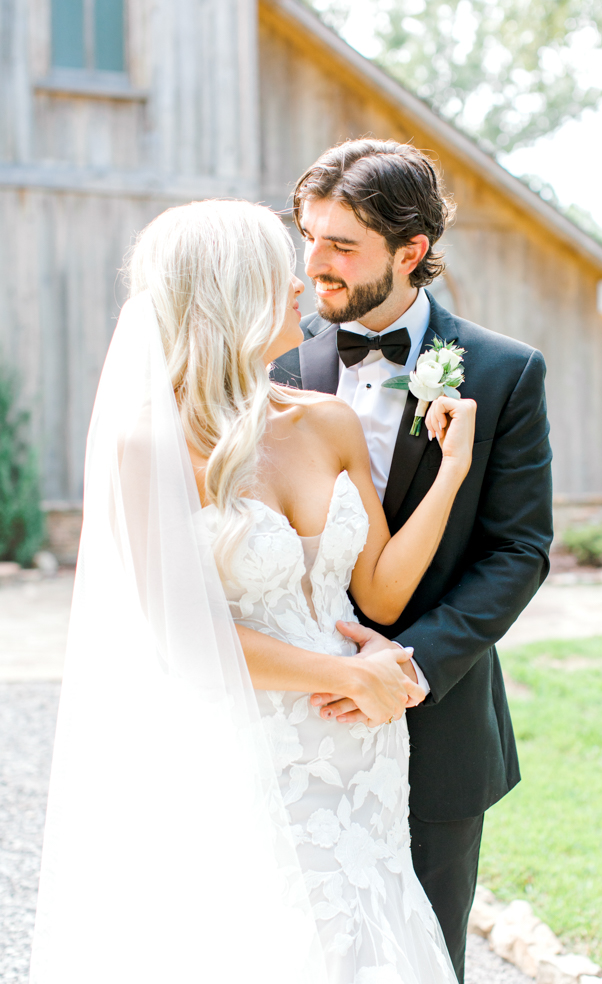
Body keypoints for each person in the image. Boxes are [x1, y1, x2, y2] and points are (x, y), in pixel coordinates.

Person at [30, 198, 476, 984]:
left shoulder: (327, 420)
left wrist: (450, 474)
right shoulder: (150, 443)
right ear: (231, 293)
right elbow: (181, 640)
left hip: (362, 742)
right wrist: (350, 676)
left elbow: (374, 588)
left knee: (370, 928)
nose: (303, 283)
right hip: (252, 739)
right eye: (281, 271)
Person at [271, 138, 553, 983]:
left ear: (411, 252)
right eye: (307, 235)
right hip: (299, 719)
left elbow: (518, 548)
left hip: (438, 724)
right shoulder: (274, 362)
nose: (312, 264)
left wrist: (411, 669)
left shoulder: (505, 373)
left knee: (426, 954)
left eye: (341, 245)